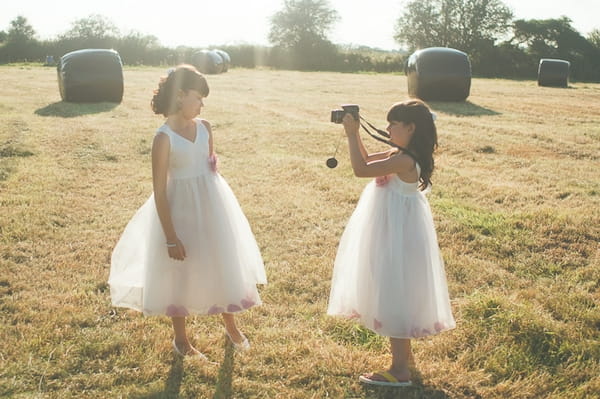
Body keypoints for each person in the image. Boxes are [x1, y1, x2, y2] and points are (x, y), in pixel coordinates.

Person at [108, 64, 267, 360]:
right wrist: (170, 236)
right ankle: (181, 340)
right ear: (180, 96)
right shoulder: (163, 138)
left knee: (220, 260)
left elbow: (209, 166)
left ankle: (231, 325)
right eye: (198, 97)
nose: (202, 104)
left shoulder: (205, 127)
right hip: (179, 210)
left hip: (212, 204)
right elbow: (159, 190)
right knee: (179, 272)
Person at [327, 99, 455, 387]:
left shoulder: (405, 160)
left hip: (397, 232)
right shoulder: (399, 153)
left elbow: (360, 170)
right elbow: (369, 160)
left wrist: (349, 135)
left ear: (410, 128)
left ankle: (399, 371)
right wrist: (357, 132)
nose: (387, 128)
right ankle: (403, 360)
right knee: (393, 288)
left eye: (392, 124)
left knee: (394, 292)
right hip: (392, 228)